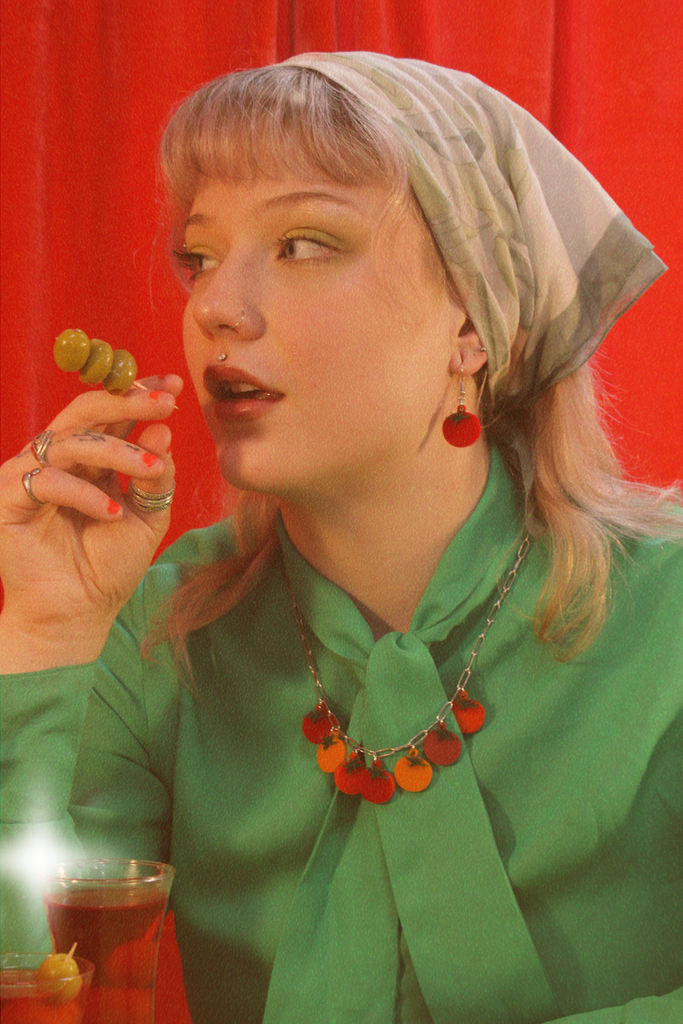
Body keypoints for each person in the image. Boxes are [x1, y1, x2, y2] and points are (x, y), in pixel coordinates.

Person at [1, 51, 681, 1024]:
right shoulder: (160, 634)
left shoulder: (668, 610)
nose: (214, 306)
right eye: (199, 255)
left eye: (304, 243)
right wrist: (44, 635)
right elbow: (39, 976)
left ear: (470, 326)